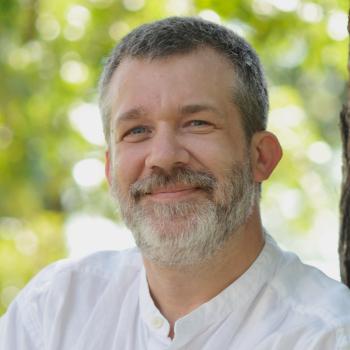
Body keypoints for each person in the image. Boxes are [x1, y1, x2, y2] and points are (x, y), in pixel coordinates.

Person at [1, 16, 350, 350]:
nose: (164, 157)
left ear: (261, 156)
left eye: (197, 123)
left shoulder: (327, 336)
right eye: (136, 131)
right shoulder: (52, 312)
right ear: (110, 169)